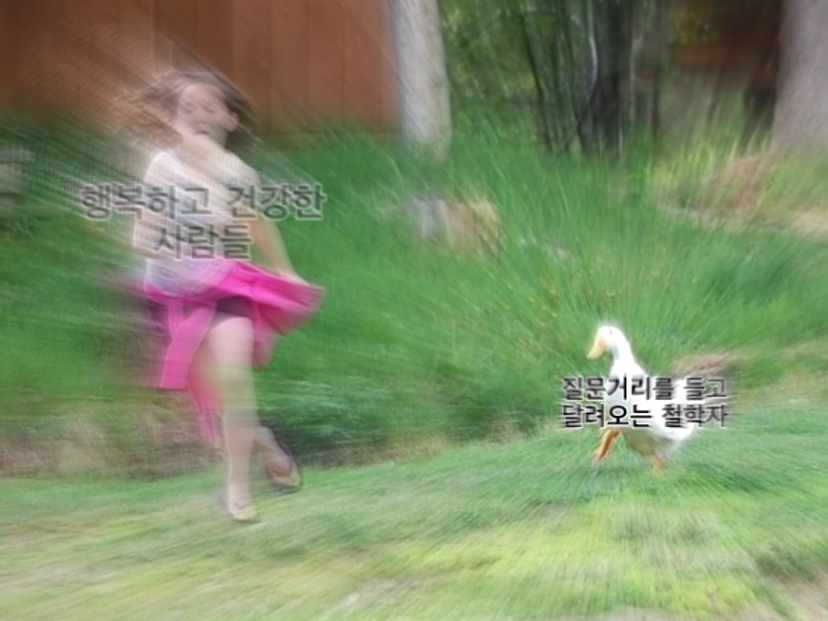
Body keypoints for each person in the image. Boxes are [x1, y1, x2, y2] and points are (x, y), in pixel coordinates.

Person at [127, 70, 323, 523]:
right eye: (187, 109)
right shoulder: (162, 166)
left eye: (208, 108)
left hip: (223, 287)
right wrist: (177, 258)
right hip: (171, 295)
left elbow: (256, 224)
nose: (197, 116)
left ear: (230, 119)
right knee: (220, 401)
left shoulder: (238, 174)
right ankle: (266, 445)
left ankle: (237, 490)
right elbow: (140, 237)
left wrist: (283, 268)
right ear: (175, 119)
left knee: (235, 381)